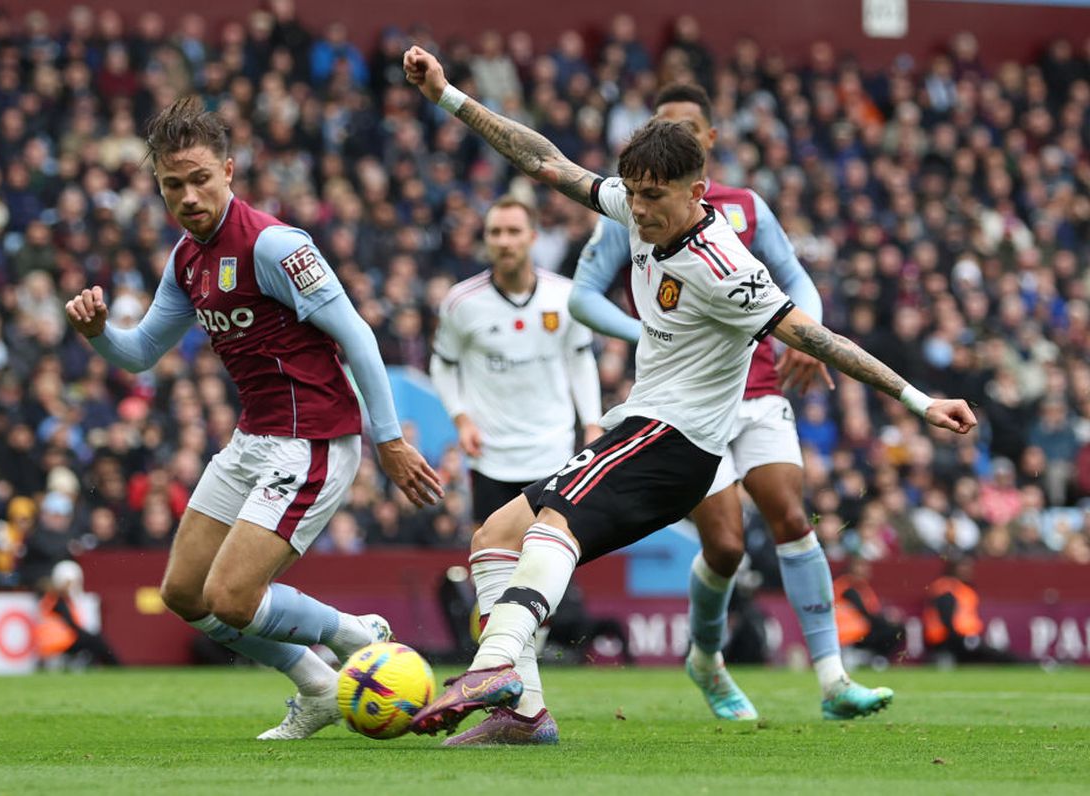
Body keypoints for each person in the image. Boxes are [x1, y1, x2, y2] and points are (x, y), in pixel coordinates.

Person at [402, 45, 976, 742]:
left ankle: (495, 665)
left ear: (697, 190)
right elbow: (542, 160)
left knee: (555, 526)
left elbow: (820, 340)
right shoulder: (632, 206)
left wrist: (919, 401)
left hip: (675, 440)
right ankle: (521, 716)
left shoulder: (723, 266)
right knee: (494, 536)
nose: (638, 211)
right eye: (633, 194)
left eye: (655, 197)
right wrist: (448, 96)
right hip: (647, 427)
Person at [65, 96, 442, 740]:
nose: (187, 196)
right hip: (252, 440)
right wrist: (101, 333)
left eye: (200, 179)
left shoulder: (274, 245)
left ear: (230, 171)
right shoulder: (186, 261)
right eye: (171, 185)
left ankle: (356, 635)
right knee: (185, 593)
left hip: (313, 440)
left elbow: (358, 336)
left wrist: (389, 440)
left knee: (232, 599)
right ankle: (320, 686)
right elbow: (140, 354)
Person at [568, 83, 888, 721]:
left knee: (792, 516)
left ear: (707, 146)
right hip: (686, 406)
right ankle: (706, 661)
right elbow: (583, 297)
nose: (672, 141)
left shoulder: (746, 208)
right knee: (726, 546)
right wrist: (654, 330)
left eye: (685, 129)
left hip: (761, 387)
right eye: (662, 127)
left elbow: (797, 285)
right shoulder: (637, 209)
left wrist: (807, 335)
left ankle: (832, 680)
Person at [429, 195, 602, 745]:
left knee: (545, 584)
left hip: (553, 456)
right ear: (486, 239)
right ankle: (522, 698)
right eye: (495, 232)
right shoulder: (462, 303)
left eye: (513, 231)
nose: (504, 240)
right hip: (493, 459)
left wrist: (592, 424)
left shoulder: (564, 295)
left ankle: (518, 696)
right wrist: (459, 416)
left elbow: (581, 359)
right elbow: (444, 364)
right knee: (497, 579)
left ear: (532, 237)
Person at [922, 554, 1024, 664]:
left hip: (962, 638)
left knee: (991, 653)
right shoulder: (947, 589)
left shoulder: (960, 589)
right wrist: (964, 640)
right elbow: (947, 621)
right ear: (953, 568)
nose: (967, 571)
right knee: (992, 654)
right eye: (962, 567)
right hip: (947, 641)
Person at [833, 557, 904, 665]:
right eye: (861, 566)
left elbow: (872, 611)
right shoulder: (847, 588)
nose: (865, 570)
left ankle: (871, 656)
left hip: (859, 630)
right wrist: (887, 620)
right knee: (894, 630)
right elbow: (865, 613)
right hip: (851, 633)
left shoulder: (861, 587)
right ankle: (869, 656)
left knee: (895, 629)